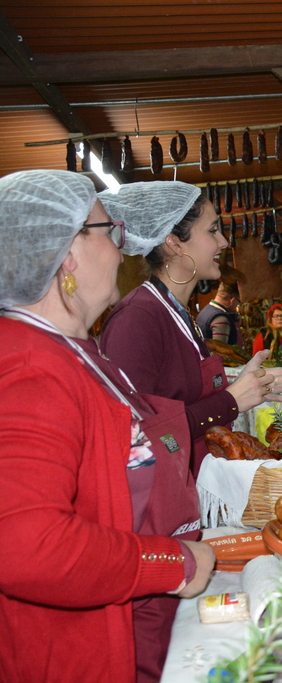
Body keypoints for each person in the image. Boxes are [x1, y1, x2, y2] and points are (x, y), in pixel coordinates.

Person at [0, 170, 215, 683]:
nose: (122, 251)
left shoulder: (78, 351)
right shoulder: (30, 369)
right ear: (66, 255)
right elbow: (27, 546)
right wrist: (170, 564)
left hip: (132, 633)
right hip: (76, 655)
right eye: (109, 232)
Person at [98, 182, 282, 476]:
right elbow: (135, 436)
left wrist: (242, 385)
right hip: (164, 503)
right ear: (174, 243)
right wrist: (230, 401)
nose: (223, 242)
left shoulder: (177, 313)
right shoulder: (136, 320)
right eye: (212, 230)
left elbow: (183, 401)